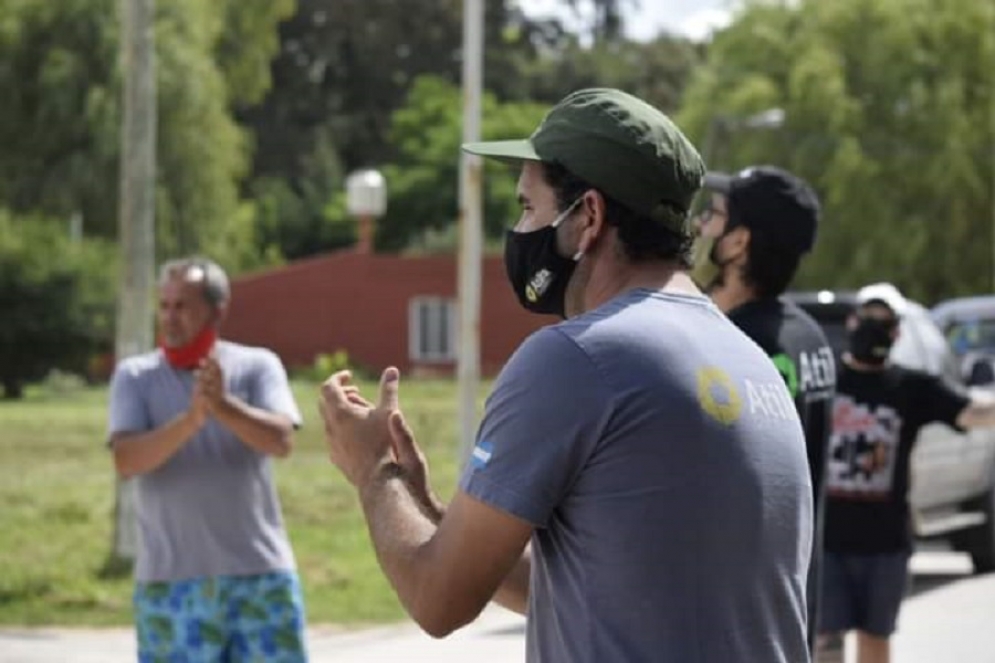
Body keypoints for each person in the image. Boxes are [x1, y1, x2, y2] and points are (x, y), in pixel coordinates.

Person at [319, 88, 814, 662]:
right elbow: (590, 590)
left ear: (588, 216)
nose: (519, 229)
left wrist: (374, 470)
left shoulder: (577, 359)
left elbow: (438, 599)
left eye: (529, 207)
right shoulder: (749, 358)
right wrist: (425, 505)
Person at [107, 257, 308, 662]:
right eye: (164, 306)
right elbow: (126, 460)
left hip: (260, 577)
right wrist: (192, 420)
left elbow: (281, 441)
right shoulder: (135, 376)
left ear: (217, 311)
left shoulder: (257, 365)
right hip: (169, 585)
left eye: (182, 306)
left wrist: (224, 406)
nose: (170, 317)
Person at [693, 165, 836, 654]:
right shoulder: (809, 337)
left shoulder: (735, 346)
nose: (699, 227)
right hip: (790, 613)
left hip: (737, 625)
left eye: (713, 216)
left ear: (738, 243)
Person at [817, 282, 995, 663]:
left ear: (897, 332)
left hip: (885, 543)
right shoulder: (827, 380)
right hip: (829, 540)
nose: (874, 330)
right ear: (852, 322)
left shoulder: (909, 387)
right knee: (825, 642)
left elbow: (970, 413)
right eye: (868, 319)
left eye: (884, 323)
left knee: (875, 638)